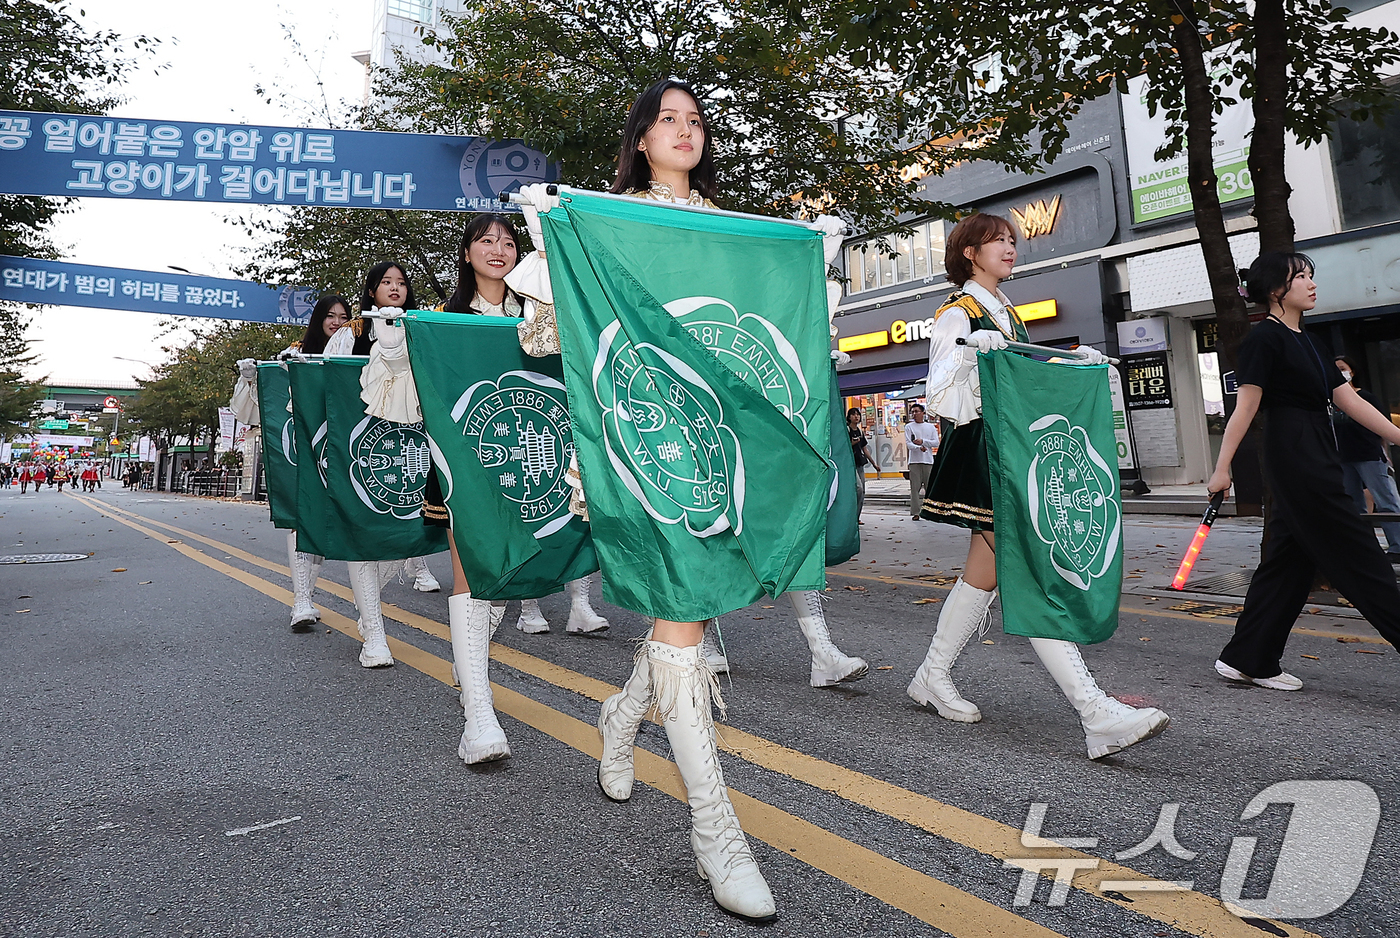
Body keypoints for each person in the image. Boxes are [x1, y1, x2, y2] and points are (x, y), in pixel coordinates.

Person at [506, 79, 868, 921]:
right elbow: (539, 342)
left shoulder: (738, 234)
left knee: (695, 614)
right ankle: (716, 835)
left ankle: (619, 716)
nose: (685, 131)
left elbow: (797, 341)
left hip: (727, 456)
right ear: (639, 138)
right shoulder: (601, 219)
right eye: (668, 120)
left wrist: (812, 259)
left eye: (697, 121)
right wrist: (551, 239)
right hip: (643, 450)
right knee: (680, 615)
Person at [905, 211, 1168, 760]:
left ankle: (931, 675)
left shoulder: (1008, 314)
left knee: (986, 575)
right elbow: (940, 392)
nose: (1008, 247)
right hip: (986, 450)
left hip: (1010, 450)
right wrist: (974, 357)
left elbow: (1026, 376)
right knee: (1027, 569)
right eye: (995, 241)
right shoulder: (959, 312)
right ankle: (1093, 710)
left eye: (1011, 240)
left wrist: (1077, 363)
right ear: (969, 252)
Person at [1207, 254, 1400, 689]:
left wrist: (1398, 436)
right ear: (1277, 290)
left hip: (1316, 448)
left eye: (1312, 275)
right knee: (1361, 555)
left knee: (1288, 565)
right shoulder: (1263, 341)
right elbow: (1245, 409)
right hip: (1294, 454)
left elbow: (1350, 403)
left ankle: (1248, 658)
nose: (1311, 283)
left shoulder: (1310, 342)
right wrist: (1223, 470)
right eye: (1301, 277)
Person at [1333, 356, 1400, 562]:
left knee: (1386, 501)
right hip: (1344, 458)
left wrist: (1385, 454)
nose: (1340, 373)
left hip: (1369, 455)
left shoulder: (1366, 397)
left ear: (1352, 371)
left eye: (1343, 368)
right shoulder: (1331, 401)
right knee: (1353, 505)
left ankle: (1398, 546)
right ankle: (1366, 547)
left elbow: (1382, 425)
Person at [904, 402, 938, 520]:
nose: (914, 414)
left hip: (928, 461)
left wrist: (923, 442)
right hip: (914, 461)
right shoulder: (909, 427)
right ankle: (916, 512)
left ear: (923, 413)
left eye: (916, 411)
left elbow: (936, 442)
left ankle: (930, 511)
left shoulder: (930, 427)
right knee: (915, 488)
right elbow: (909, 444)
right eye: (912, 412)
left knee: (930, 487)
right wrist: (918, 447)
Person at [847, 408, 871, 523]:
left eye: (857, 414)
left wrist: (874, 464)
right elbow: (845, 446)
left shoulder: (860, 431)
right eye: (853, 414)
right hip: (851, 464)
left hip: (860, 463)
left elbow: (864, 449)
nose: (856, 417)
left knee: (863, 491)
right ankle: (852, 516)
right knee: (858, 489)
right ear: (849, 417)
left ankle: (856, 517)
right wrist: (853, 442)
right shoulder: (847, 430)